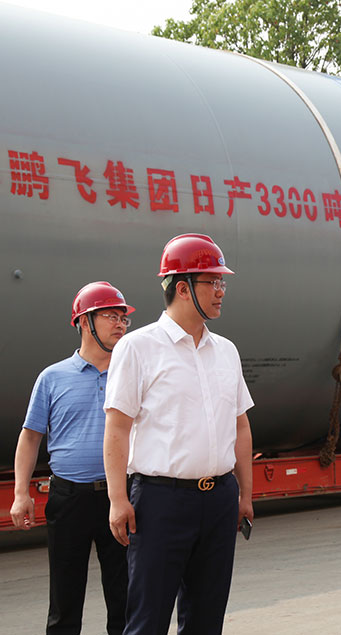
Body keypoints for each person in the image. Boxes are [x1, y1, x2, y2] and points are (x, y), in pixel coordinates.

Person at [103, 233, 254, 635]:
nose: (221, 291)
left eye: (222, 283)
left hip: (219, 499)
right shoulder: (138, 348)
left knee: (207, 618)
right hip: (160, 502)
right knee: (148, 619)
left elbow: (240, 424)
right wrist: (118, 499)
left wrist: (244, 494)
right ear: (183, 288)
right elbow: (117, 427)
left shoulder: (226, 351)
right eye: (213, 282)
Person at [9, 282, 133, 635]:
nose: (120, 324)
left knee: (125, 598)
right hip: (69, 500)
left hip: (121, 496)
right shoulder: (52, 378)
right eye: (110, 316)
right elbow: (30, 437)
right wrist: (20, 493)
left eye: (123, 317)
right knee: (64, 600)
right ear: (84, 322)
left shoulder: (131, 375)